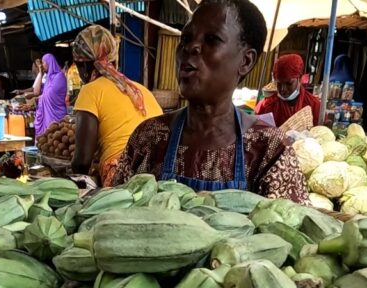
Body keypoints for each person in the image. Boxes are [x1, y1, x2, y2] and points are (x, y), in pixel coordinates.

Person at [111, 0, 307, 202]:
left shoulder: (269, 150)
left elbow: (291, 227)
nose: (191, 47)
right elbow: (112, 215)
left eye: (212, 39)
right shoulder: (148, 138)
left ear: (246, 61)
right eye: (185, 38)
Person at [71, 25, 162, 186]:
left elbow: (82, 162)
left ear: (84, 66)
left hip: (124, 178)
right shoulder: (141, 90)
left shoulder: (90, 91)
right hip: (158, 175)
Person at [255, 54, 321, 127]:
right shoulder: (267, 105)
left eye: (289, 84)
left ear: (299, 78)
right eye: (279, 84)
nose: (283, 89)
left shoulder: (314, 105)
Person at [34, 54, 69, 139]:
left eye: (43, 62)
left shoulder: (59, 77)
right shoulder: (48, 78)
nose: (42, 65)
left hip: (56, 115)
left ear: (50, 63)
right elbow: (36, 91)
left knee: (54, 138)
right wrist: (41, 73)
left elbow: (51, 95)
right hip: (47, 114)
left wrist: (40, 98)